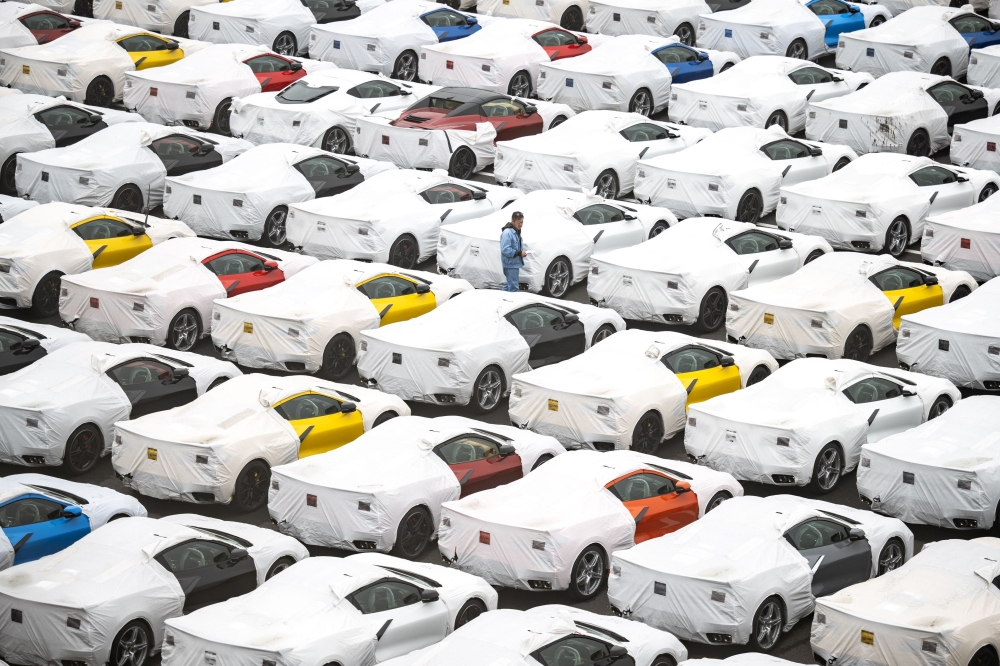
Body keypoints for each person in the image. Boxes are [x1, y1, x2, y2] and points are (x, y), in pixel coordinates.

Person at [500, 211, 527, 292]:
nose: (521, 225)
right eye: (519, 223)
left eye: (522, 222)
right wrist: (519, 253)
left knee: (509, 285)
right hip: (510, 265)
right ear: (513, 221)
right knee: (513, 288)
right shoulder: (507, 233)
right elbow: (505, 249)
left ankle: (500, 299)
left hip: (513, 264)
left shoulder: (516, 231)